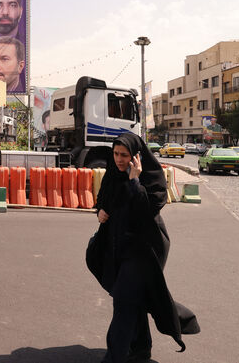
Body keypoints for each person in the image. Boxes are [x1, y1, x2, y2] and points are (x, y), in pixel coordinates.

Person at [87, 133, 200, 362]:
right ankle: (141, 348)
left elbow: (144, 212)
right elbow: (104, 199)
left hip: (143, 250)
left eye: (124, 155)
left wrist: (134, 181)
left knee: (123, 302)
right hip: (118, 246)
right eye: (116, 154)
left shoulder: (151, 178)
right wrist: (99, 210)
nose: (119, 159)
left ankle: (114, 357)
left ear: (136, 156)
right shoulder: (113, 173)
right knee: (133, 299)